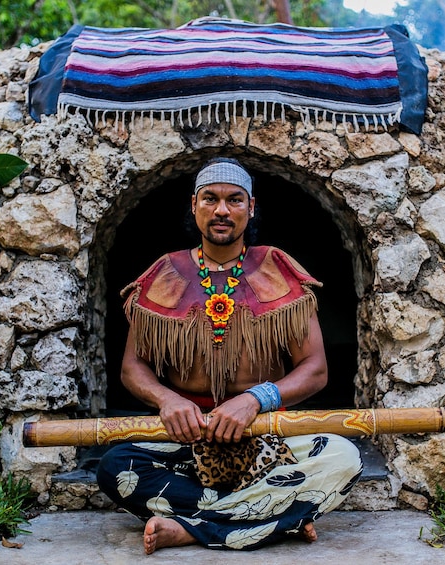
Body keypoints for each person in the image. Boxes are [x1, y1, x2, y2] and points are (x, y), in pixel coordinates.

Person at [96, 157, 363, 554]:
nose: (222, 210)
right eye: (211, 199)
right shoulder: (164, 273)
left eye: (234, 200)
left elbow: (316, 370)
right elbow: (133, 368)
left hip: (268, 440)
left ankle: (189, 528)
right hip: (187, 441)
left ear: (251, 208)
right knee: (115, 467)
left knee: (344, 457)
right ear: (194, 205)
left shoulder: (280, 270)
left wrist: (255, 400)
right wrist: (168, 400)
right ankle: (273, 521)